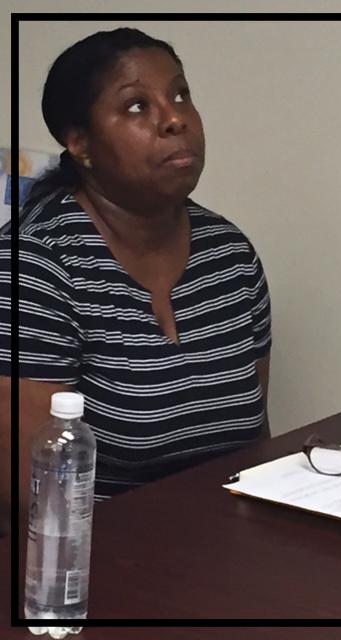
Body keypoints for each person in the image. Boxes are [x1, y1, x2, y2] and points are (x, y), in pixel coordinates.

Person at [0, 27, 271, 536]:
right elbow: (28, 491)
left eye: (180, 95)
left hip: (225, 549)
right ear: (80, 144)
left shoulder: (230, 255)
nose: (174, 119)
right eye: (136, 106)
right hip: (96, 556)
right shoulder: (33, 266)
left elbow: (252, 444)